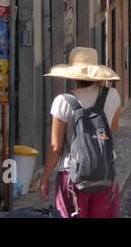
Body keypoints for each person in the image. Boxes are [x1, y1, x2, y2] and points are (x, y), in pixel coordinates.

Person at [39, 47, 122, 218]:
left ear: (72, 74)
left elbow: (56, 146)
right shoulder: (113, 95)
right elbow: (110, 131)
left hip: (71, 174)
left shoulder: (62, 101)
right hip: (105, 173)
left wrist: (45, 178)